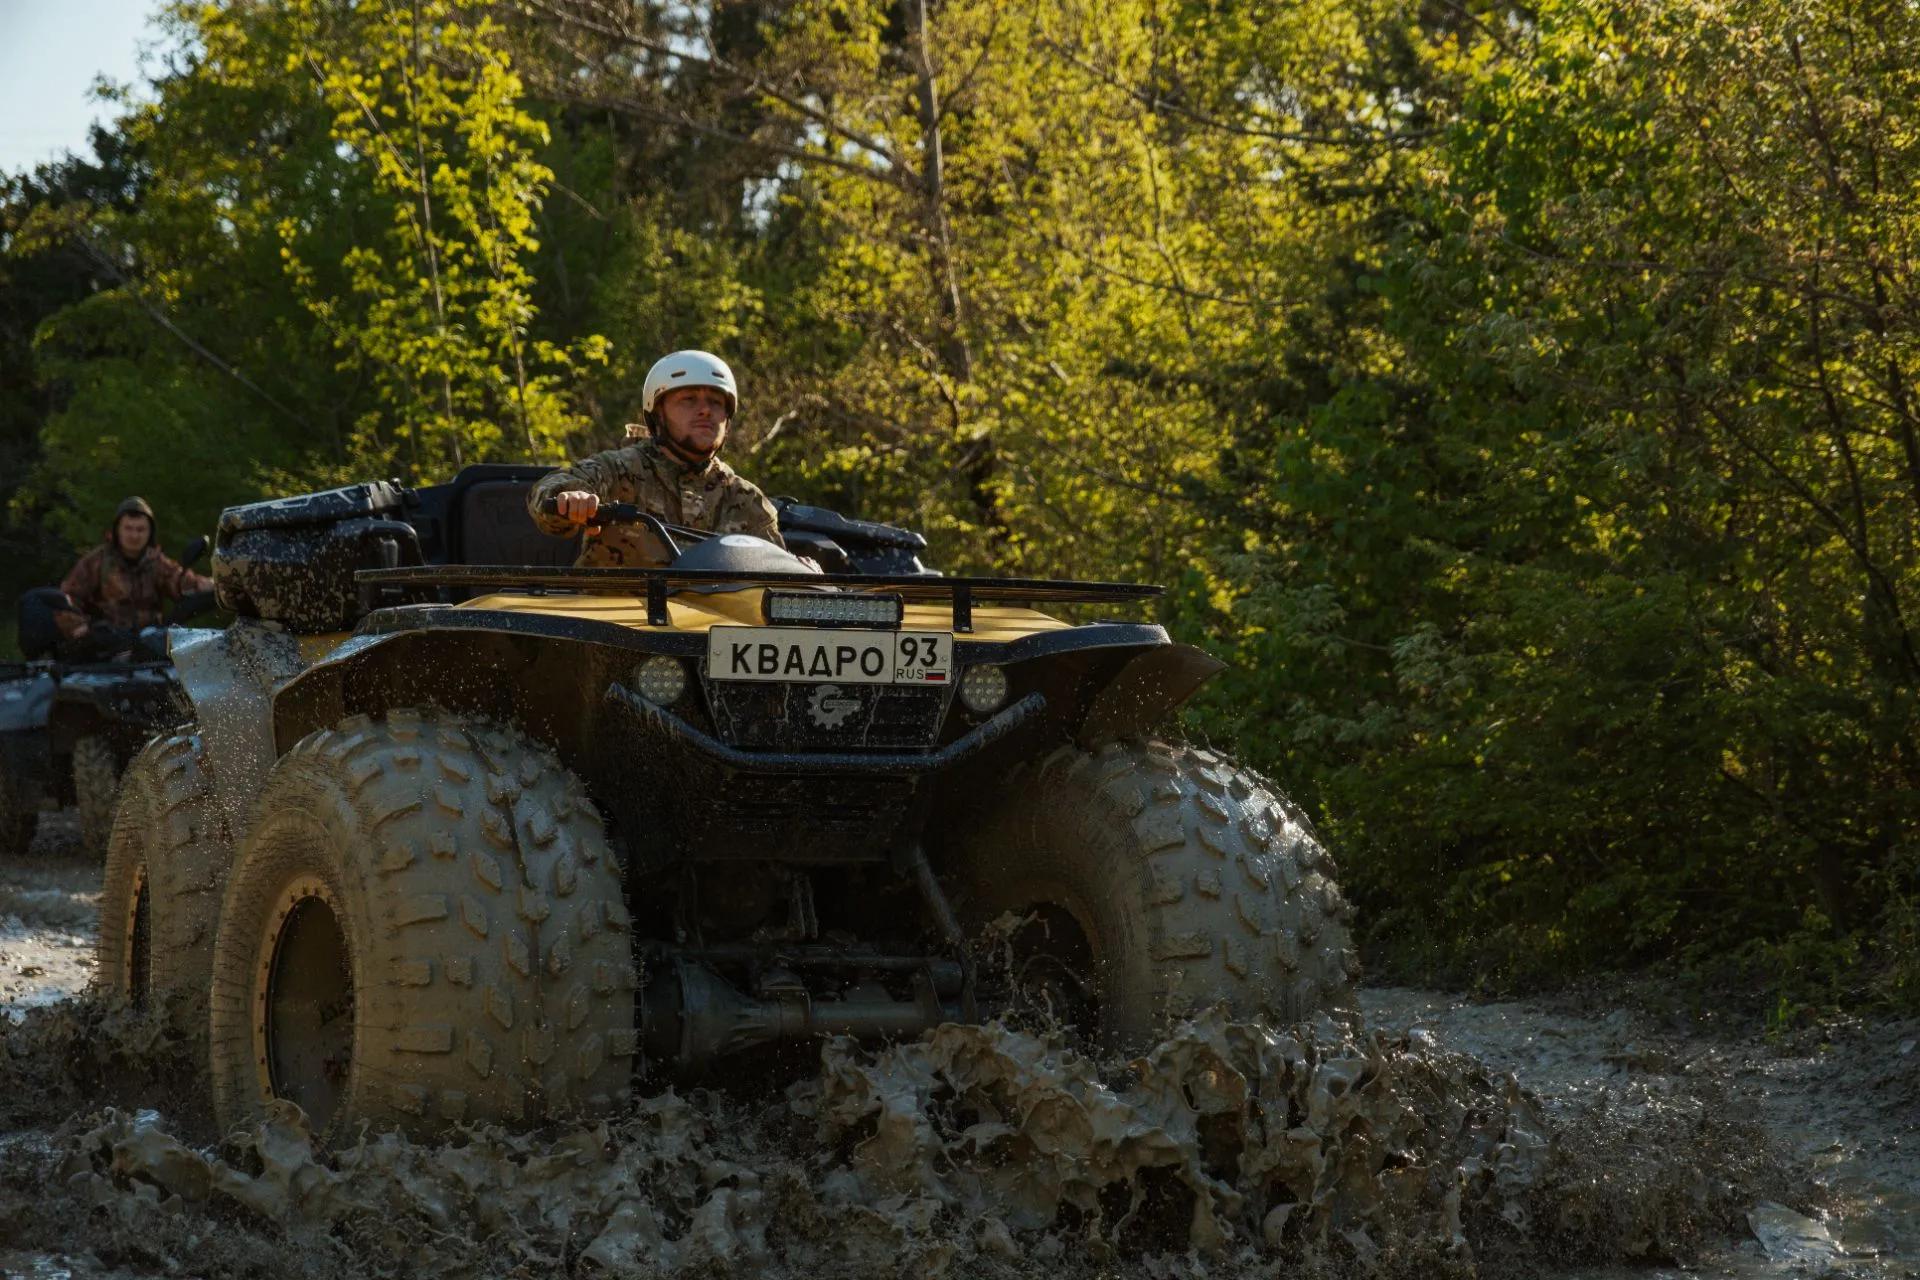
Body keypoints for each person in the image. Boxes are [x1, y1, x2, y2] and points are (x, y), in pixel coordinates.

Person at [527, 350, 783, 567]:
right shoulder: (619, 469)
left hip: (708, 625)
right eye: (689, 399)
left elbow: (776, 580)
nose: (705, 410)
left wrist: (801, 572)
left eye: (716, 402)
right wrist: (571, 497)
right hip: (611, 618)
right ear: (657, 415)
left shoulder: (747, 500)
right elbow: (550, 490)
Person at [56, 496, 213, 654]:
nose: (134, 536)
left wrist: (219, 585)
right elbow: (66, 598)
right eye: (129, 528)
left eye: (140, 529)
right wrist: (79, 627)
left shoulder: (156, 562)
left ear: (150, 532)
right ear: (117, 530)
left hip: (149, 647)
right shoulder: (95, 562)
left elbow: (184, 583)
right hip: (105, 651)